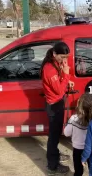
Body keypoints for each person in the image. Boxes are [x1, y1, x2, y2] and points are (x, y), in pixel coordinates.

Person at [40, 41, 75, 174]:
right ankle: (52, 165)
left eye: (66, 57)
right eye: (62, 57)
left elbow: (60, 84)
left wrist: (66, 79)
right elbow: (59, 91)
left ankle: (55, 154)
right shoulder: (49, 69)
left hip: (58, 103)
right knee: (54, 136)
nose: (64, 60)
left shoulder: (55, 63)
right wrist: (66, 75)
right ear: (54, 54)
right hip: (54, 105)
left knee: (56, 134)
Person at [64, 93, 92, 176]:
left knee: (78, 171)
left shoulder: (73, 118)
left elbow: (66, 133)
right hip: (91, 149)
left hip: (77, 149)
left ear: (79, 106)